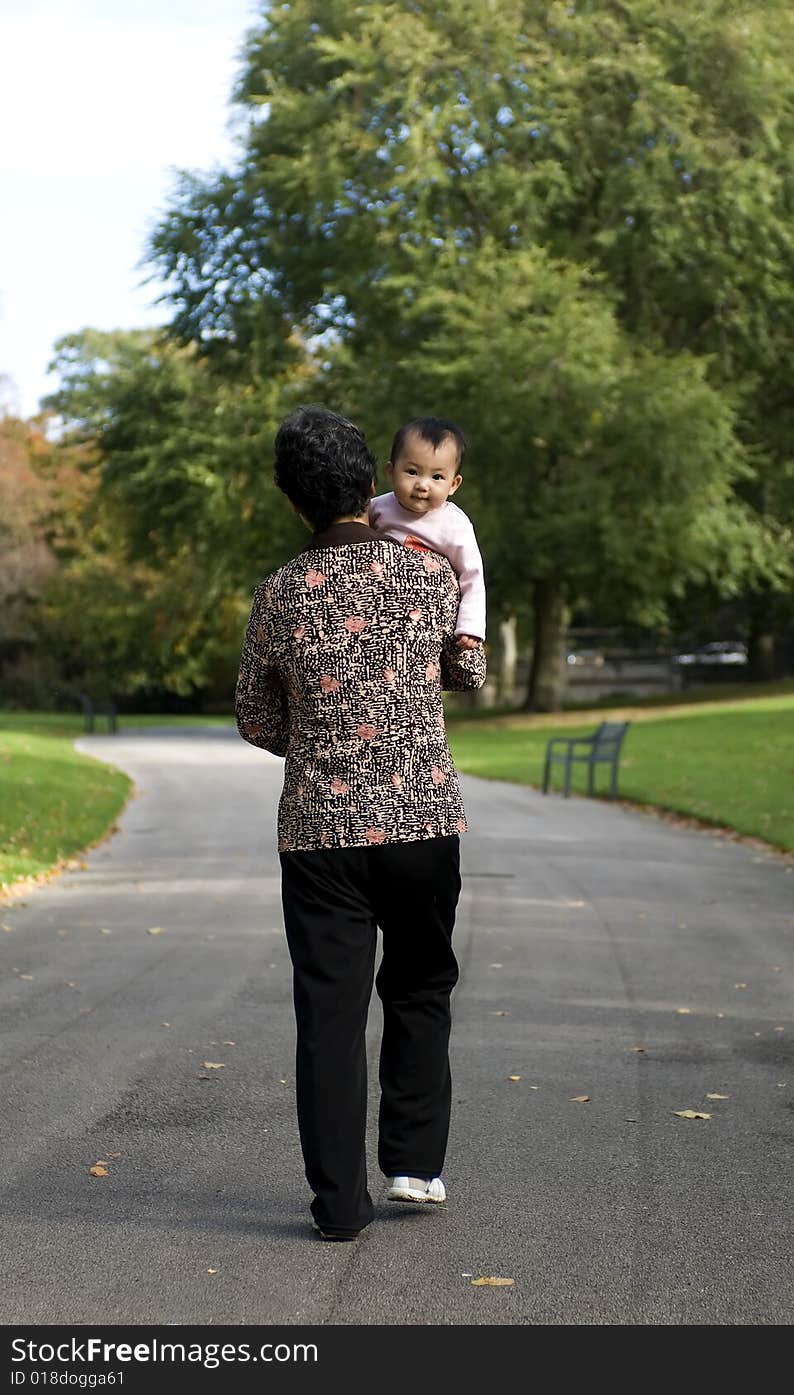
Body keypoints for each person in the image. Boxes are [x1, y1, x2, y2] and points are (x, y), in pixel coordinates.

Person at [234, 404, 486, 1241]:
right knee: (419, 987)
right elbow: (461, 673)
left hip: (320, 833)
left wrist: (317, 741)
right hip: (421, 820)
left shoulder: (277, 593)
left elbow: (254, 718)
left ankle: (339, 1205)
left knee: (330, 1015)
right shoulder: (431, 577)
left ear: (292, 500)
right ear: (373, 482)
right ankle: (414, 1163)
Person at [369, 416, 486, 650]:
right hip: (380, 609)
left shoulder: (454, 524)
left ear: (454, 484)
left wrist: (470, 625)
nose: (423, 485)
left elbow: (472, 575)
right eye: (412, 472)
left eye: (437, 477)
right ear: (391, 471)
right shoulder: (377, 508)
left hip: (425, 623)